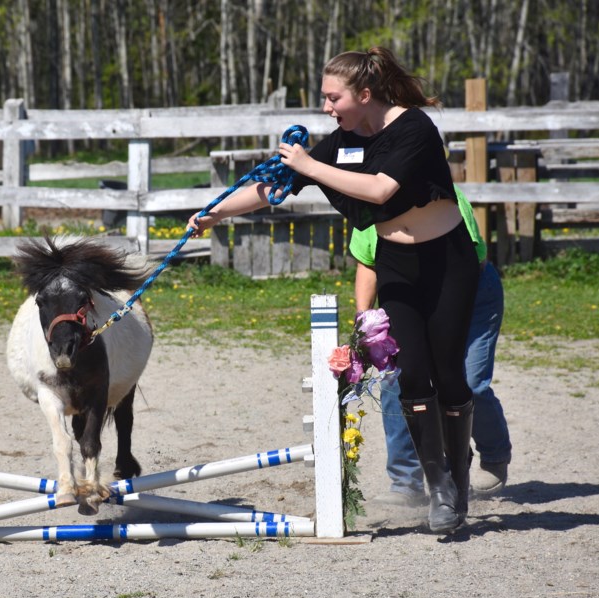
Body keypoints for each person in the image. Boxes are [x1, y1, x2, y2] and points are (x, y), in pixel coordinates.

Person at [188, 46, 478, 533]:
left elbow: (381, 190)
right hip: (395, 263)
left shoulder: (414, 128)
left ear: (364, 94)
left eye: (332, 97)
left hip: (448, 262)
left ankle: (460, 476)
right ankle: (439, 488)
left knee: (449, 374)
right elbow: (277, 186)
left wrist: (308, 164)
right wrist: (216, 213)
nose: (325, 107)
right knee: (411, 376)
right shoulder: (343, 139)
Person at [349, 185, 512, 509]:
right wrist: (365, 323)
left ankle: (493, 457)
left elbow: (467, 262)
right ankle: (405, 480)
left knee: (468, 380)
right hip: (410, 295)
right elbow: (368, 261)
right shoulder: (370, 205)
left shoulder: (445, 198)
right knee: (399, 380)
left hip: (471, 291)